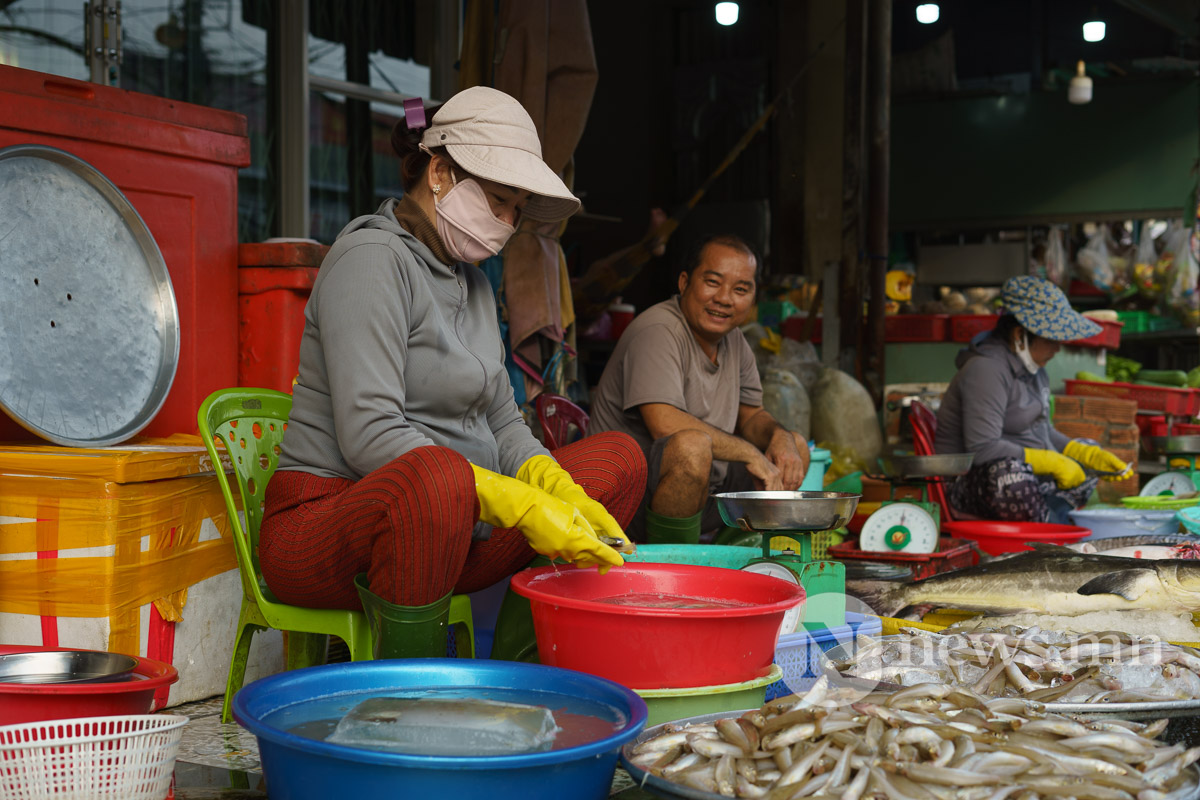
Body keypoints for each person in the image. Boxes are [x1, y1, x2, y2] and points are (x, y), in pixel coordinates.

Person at [259, 86, 646, 659]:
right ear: (439, 172)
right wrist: (514, 504)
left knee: (618, 460)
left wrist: (551, 489)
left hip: (452, 529)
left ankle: (523, 668)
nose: (509, 223)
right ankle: (408, 699)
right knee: (437, 480)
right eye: (498, 201)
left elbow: (503, 420)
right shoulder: (372, 260)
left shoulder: (472, 283)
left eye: (516, 209)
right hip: (328, 525)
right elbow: (370, 433)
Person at [588, 233, 811, 544]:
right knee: (691, 448)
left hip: (703, 491)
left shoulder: (735, 340)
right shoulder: (658, 330)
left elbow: (751, 416)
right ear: (684, 283)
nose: (724, 298)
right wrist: (748, 452)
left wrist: (780, 436)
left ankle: (737, 556)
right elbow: (663, 423)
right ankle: (670, 568)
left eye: (741, 289)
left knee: (794, 447)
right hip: (626, 506)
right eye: (712, 282)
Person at [936, 275, 1131, 523]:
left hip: (1025, 474)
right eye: (1051, 339)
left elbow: (1043, 430)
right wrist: (1051, 461)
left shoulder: (1035, 371)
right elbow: (983, 448)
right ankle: (1045, 522)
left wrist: (1081, 453)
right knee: (1010, 474)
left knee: (1088, 449)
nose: (1057, 348)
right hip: (970, 483)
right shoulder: (985, 370)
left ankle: (1050, 517)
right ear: (1020, 334)